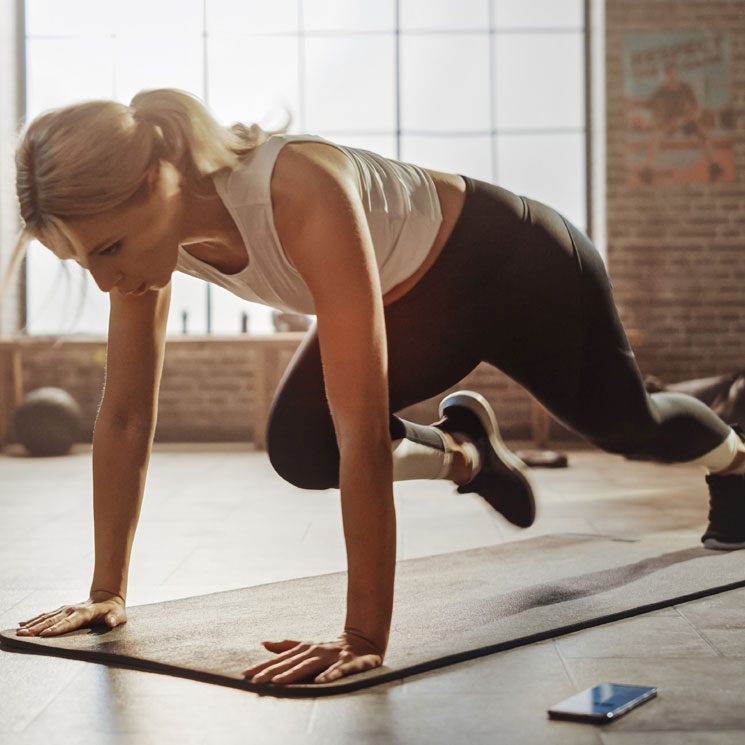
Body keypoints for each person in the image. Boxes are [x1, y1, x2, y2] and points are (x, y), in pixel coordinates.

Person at [8, 88, 745, 687]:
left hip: (518, 266)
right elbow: (127, 414)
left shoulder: (296, 190)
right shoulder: (143, 243)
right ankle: (467, 453)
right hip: (416, 304)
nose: (107, 278)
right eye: (81, 262)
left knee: (627, 427)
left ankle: (735, 455)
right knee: (301, 448)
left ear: (157, 179)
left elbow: (364, 427)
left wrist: (363, 631)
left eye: (108, 249)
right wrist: (107, 590)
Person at [639, 63, 724, 184]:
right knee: (656, 133)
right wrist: (646, 119)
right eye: (669, 74)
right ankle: (648, 170)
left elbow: (697, 110)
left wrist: (682, 120)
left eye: (675, 73)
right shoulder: (661, 91)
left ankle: (714, 166)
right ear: (665, 76)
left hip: (684, 121)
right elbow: (647, 107)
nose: (672, 76)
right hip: (668, 123)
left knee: (700, 129)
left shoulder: (686, 88)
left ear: (678, 74)